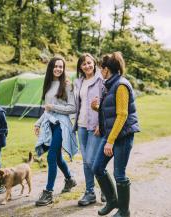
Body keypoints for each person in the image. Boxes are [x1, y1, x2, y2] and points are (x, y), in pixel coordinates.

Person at [91, 52, 140, 216]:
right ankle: (112, 201)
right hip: (111, 134)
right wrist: (97, 108)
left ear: (105, 70)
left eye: (100, 69)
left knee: (119, 174)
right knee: (97, 168)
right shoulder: (110, 84)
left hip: (123, 136)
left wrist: (110, 141)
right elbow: (111, 112)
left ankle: (124, 211)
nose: (99, 72)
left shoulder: (120, 86)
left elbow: (122, 115)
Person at [34, 56, 78, 206]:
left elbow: (72, 108)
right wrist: (38, 123)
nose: (59, 69)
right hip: (50, 124)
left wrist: (54, 107)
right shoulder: (47, 85)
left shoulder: (67, 85)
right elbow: (47, 110)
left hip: (62, 125)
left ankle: (48, 193)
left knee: (51, 157)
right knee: (58, 158)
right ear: (51, 67)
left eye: (61, 66)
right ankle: (70, 180)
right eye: (56, 66)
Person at [73, 53, 105, 206]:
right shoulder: (78, 82)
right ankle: (90, 192)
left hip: (95, 126)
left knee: (93, 160)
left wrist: (101, 123)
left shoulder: (101, 80)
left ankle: (105, 189)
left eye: (89, 63)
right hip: (81, 126)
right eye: (83, 64)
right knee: (86, 161)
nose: (87, 66)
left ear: (94, 63)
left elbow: (105, 104)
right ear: (80, 67)